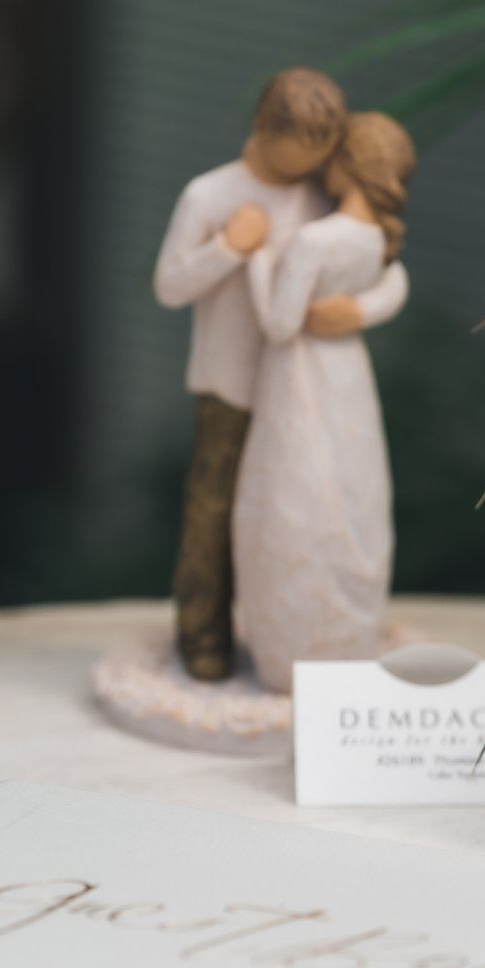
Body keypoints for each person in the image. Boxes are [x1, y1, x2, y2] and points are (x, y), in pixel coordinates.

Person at [152, 68, 366, 681]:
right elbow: (169, 285)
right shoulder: (209, 195)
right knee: (214, 507)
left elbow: (377, 259)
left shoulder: (323, 192)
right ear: (263, 129)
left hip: (306, 387)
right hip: (233, 383)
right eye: (294, 158)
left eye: (317, 159)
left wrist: (361, 310)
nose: (305, 173)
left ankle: (293, 630)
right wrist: (229, 248)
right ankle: (204, 633)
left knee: (299, 511)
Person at [231, 112, 414, 692]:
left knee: (294, 493)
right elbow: (397, 281)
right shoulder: (375, 238)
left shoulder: (314, 241)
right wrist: (360, 311)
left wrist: (258, 260)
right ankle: (344, 639)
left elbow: (280, 324)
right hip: (347, 374)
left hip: (299, 378)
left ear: (345, 164)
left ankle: (292, 650)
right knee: (353, 492)